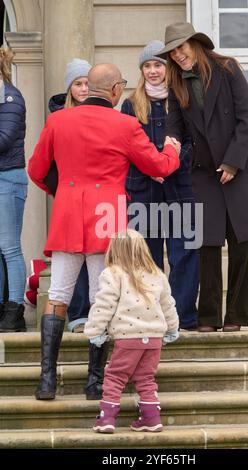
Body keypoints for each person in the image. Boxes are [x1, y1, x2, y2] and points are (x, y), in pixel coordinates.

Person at [28, 63, 180, 401]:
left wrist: (65, 193)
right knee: (103, 297)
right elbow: (157, 166)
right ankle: (94, 382)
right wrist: (172, 149)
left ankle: (46, 381)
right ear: (114, 90)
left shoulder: (58, 120)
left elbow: (36, 170)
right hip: (107, 215)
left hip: (68, 211)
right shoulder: (125, 124)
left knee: (58, 295)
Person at [157, 22, 248, 332]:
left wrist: (232, 163)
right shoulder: (176, 83)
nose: (177, 55)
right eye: (172, 51)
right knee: (207, 244)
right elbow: (175, 126)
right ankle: (209, 317)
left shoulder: (227, 68)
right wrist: (169, 147)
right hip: (204, 170)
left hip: (241, 163)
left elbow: (246, 118)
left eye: (180, 48)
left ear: (195, 44)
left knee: (242, 242)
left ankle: (236, 317)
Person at [121, 40, 199, 331]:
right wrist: (150, 167)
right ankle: (151, 318)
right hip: (143, 191)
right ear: (142, 70)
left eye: (158, 65)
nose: (153, 71)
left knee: (185, 254)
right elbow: (125, 146)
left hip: (182, 189)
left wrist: (171, 164)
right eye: (148, 65)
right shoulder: (130, 104)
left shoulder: (183, 99)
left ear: (168, 69)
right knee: (146, 257)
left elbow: (193, 141)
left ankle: (184, 319)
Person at [84, 229, 179, 434]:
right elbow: (168, 304)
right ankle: (151, 418)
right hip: (154, 339)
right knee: (146, 378)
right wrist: (172, 328)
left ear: (114, 250)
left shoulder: (112, 274)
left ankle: (107, 418)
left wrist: (94, 331)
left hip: (128, 338)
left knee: (115, 376)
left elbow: (103, 305)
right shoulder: (157, 274)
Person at [46, 58, 92, 333]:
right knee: (72, 257)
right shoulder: (58, 118)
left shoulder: (105, 113)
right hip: (70, 197)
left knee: (96, 259)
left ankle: (98, 317)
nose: (84, 89)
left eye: (87, 83)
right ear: (70, 89)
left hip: (99, 199)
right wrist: (59, 188)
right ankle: (77, 313)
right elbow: (45, 162)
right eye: (78, 84)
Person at [0, 47, 27, 332]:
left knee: (10, 248)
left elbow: (4, 138)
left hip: (8, 179)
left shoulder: (10, 97)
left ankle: (15, 309)